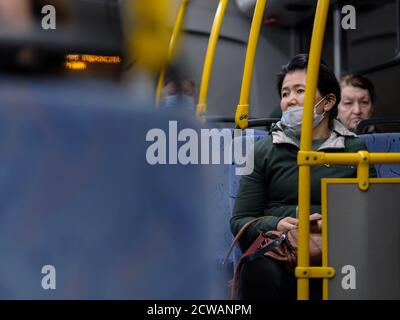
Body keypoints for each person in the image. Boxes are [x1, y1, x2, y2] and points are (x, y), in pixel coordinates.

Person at [230, 54, 376, 300]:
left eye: (300, 91)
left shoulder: (354, 150)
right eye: (285, 93)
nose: (290, 100)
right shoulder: (263, 151)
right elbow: (241, 220)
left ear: (328, 102)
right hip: (285, 252)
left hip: (340, 250)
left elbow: (370, 215)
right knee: (258, 270)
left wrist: (326, 223)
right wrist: (277, 224)